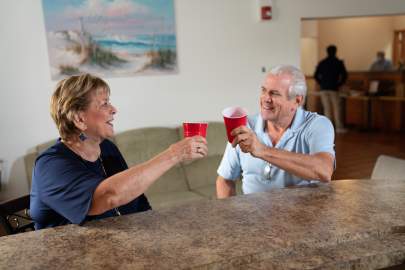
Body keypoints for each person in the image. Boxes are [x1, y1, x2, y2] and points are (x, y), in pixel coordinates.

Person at [30, 74, 208, 230]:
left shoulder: (107, 149)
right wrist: (174, 154)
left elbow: (136, 203)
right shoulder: (50, 166)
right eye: (104, 104)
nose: (114, 109)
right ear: (79, 118)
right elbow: (109, 196)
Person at [216, 65, 335, 198]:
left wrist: (262, 150)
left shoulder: (317, 125)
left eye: (275, 93)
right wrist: (230, 217)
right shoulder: (245, 126)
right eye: (264, 90)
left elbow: (324, 170)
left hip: (299, 216)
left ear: (297, 100)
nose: (266, 99)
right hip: (252, 216)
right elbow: (225, 180)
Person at [314, 45, 348, 133]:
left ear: (327, 52)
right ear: (335, 51)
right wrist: (339, 84)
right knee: (337, 108)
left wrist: (321, 83)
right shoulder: (339, 62)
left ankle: (328, 128)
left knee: (327, 108)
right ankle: (339, 127)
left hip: (323, 88)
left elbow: (315, 75)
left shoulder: (322, 62)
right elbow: (344, 75)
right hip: (334, 88)